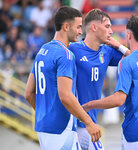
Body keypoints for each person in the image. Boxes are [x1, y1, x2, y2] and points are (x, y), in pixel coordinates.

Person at [68, 8, 138, 150]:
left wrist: (119, 46)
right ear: (94, 27)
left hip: (90, 122)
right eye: (107, 26)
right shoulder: (72, 50)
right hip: (72, 123)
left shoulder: (107, 51)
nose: (111, 31)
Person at [25, 6, 101, 150]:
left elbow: (28, 93)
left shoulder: (42, 50)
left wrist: (46, 114)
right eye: (78, 27)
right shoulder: (65, 54)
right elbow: (65, 95)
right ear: (66, 26)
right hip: (61, 128)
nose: (80, 31)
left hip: (44, 127)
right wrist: (89, 123)